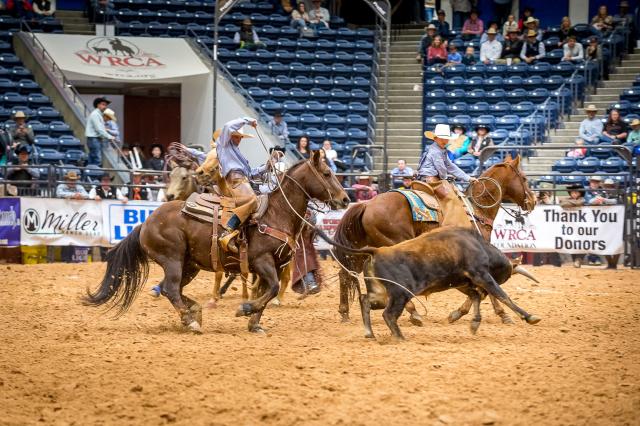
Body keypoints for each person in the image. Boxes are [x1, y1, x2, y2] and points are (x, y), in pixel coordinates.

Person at [216, 117, 268, 253]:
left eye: (240, 137)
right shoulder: (223, 144)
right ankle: (228, 231)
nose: (238, 139)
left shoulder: (237, 153)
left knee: (262, 201)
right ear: (230, 136)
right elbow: (227, 125)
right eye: (236, 136)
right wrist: (247, 120)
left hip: (243, 179)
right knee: (252, 200)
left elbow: (251, 173)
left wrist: (266, 167)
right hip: (235, 179)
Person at [291, 209, 322, 295]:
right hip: (303, 237)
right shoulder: (307, 210)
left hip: (302, 238)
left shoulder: (305, 211)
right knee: (305, 257)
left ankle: (310, 283)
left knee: (303, 258)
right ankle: (307, 283)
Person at [559, 184, 586, 268]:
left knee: (583, 242)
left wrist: (570, 203)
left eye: (576, 192)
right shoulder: (566, 199)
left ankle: (578, 259)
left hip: (582, 225)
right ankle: (575, 260)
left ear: (579, 193)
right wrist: (575, 203)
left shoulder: (582, 199)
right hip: (569, 225)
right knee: (571, 242)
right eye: (572, 192)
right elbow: (563, 204)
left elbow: (581, 202)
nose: (574, 194)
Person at [85, 97, 115, 166]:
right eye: (103, 104)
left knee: (93, 158)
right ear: (98, 105)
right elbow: (99, 129)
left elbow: (100, 129)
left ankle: (91, 174)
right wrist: (110, 136)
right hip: (94, 139)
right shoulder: (95, 114)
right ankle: (94, 175)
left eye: (105, 105)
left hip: (93, 139)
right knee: (97, 159)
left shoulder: (97, 114)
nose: (105, 107)